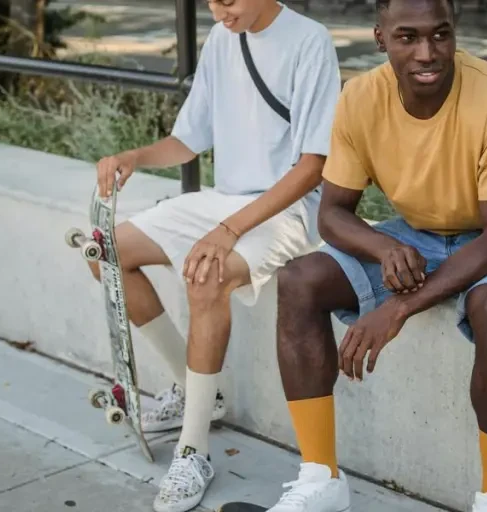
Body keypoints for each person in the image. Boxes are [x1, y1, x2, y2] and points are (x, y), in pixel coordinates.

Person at [266, 0, 487, 510]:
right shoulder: (360, 98)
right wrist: (386, 246)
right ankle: (321, 480)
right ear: (380, 38)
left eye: (441, 35)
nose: (427, 53)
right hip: (420, 231)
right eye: (408, 37)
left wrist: (399, 305)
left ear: (455, 35)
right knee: (300, 280)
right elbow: (334, 214)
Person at [86, 0, 341, 510]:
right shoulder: (224, 37)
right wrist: (134, 157)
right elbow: (189, 139)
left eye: (230, 0)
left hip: (288, 210)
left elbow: (313, 165)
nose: (220, 11)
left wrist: (229, 231)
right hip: (226, 202)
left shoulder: (310, 41)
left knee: (207, 275)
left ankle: (193, 450)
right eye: (212, 1)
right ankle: (192, 387)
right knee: (105, 251)